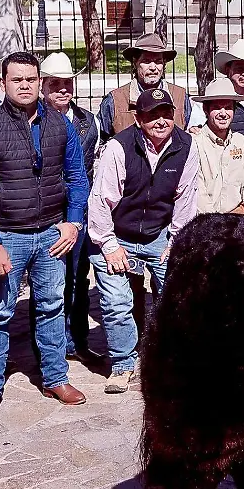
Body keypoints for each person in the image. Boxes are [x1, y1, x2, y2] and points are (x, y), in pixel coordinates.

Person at [0, 52, 92, 420]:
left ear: (41, 82)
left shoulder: (60, 124)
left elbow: (77, 177)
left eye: (31, 79)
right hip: (9, 235)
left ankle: (55, 377)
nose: (25, 85)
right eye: (16, 79)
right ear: (2, 83)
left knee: (52, 306)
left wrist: (73, 222)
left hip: (52, 233)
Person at [89, 87, 200, 394]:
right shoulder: (118, 148)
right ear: (138, 119)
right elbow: (101, 200)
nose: (160, 121)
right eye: (152, 115)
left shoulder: (187, 146)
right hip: (116, 233)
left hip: (160, 233)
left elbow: (185, 198)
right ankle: (123, 365)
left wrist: (176, 240)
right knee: (116, 304)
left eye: (166, 113)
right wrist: (109, 246)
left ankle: (169, 360)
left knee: (175, 298)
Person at [40, 52, 101, 361]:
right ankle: (49, 345)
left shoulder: (88, 121)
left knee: (78, 275)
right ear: (43, 86)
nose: (62, 89)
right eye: (55, 84)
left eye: (67, 83)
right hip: (47, 212)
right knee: (50, 280)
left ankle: (77, 339)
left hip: (80, 211)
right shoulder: (34, 120)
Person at [191, 79, 244, 216]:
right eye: (216, 107)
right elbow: (199, 196)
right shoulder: (195, 143)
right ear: (205, 110)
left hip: (239, 219)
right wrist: (219, 223)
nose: (223, 113)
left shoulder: (240, 142)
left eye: (227, 107)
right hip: (207, 224)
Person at [102, 32, 193, 135]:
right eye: (146, 61)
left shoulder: (180, 97)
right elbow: (99, 141)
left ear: (164, 64)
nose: (153, 68)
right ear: (135, 63)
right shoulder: (115, 100)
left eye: (158, 61)